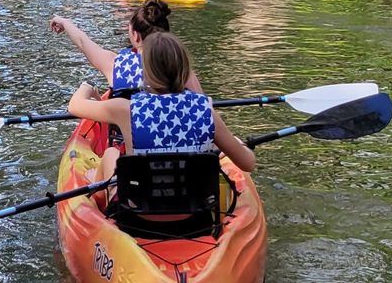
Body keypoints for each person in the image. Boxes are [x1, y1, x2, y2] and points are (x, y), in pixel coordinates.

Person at [68, 29, 255, 189]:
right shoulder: (205, 109)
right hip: (196, 217)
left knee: (111, 154)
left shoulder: (125, 109)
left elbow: (74, 106)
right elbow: (248, 163)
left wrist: (87, 88)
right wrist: (238, 145)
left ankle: (98, 184)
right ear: (184, 69)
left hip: (138, 215)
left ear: (147, 72)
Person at [49, 0, 202, 92]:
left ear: (135, 35)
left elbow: (83, 41)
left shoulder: (115, 64)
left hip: (124, 143)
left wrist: (65, 22)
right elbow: (202, 106)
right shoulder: (180, 68)